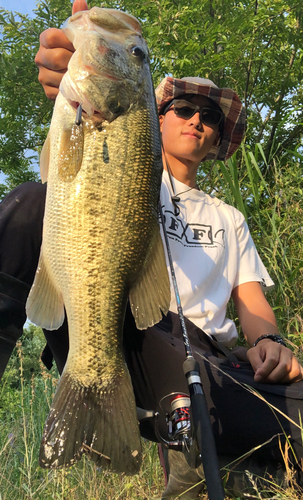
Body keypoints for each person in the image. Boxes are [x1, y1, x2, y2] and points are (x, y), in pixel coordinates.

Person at [0, 0, 302, 498]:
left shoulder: (230, 219)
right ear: (154, 116)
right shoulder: (110, 141)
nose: (197, 121)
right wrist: (67, 77)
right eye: (182, 108)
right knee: (29, 205)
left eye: (209, 118)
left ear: (216, 141)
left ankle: (222, 450)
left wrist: (269, 342)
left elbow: (252, 304)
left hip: (212, 359)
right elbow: (73, 143)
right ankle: (197, 444)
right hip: (135, 331)